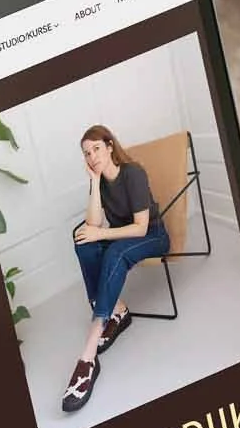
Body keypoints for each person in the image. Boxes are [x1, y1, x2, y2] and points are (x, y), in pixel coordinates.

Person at [61, 124, 171, 413]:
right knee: (83, 239)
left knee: (111, 249)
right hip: (125, 238)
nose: (92, 156)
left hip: (152, 236)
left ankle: (88, 357)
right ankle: (118, 310)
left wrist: (101, 235)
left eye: (96, 148)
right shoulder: (101, 181)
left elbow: (141, 227)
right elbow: (93, 225)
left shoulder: (132, 173)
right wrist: (95, 183)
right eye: (86, 153)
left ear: (109, 146)